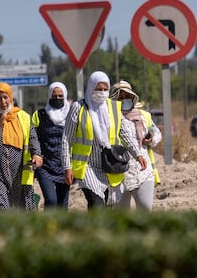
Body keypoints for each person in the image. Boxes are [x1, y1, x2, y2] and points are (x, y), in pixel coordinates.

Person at [61, 71, 147, 209]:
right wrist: (67, 166)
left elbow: (124, 133)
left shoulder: (113, 108)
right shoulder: (79, 108)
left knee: (107, 206)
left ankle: (95, 230)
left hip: (109, 164)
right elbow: (66, 139)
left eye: (105, 89)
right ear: (91, 88)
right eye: (98, 89)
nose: (102, 92)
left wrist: (138, 154)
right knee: (96, 203)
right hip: (87, 166)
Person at [0, 82, 43, 210]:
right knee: (1, 209)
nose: (3, 102)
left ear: (11, 97)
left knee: (24, 213)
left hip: (20, 175)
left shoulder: (23, 117)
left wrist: (36, 154)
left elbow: (32, 138)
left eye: (5, 97)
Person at [109, 80, 162, 211]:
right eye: (120, 97)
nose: (124, 100)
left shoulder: (144, 116)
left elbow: (157, 134)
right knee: (121, 216)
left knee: (145, 210)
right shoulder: (110, 118)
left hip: (142, 170)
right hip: (119, 172)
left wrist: (151, 138)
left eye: (127, 96)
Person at [32, 81, 71, 210]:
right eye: (54, 96)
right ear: (49, 96)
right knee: (51, 200)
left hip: (64, 165)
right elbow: (33, 137)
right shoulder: (40, 115)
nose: (57, 99)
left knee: (62, 204)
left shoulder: (71, 115)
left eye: (60, 96)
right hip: (45, 165)